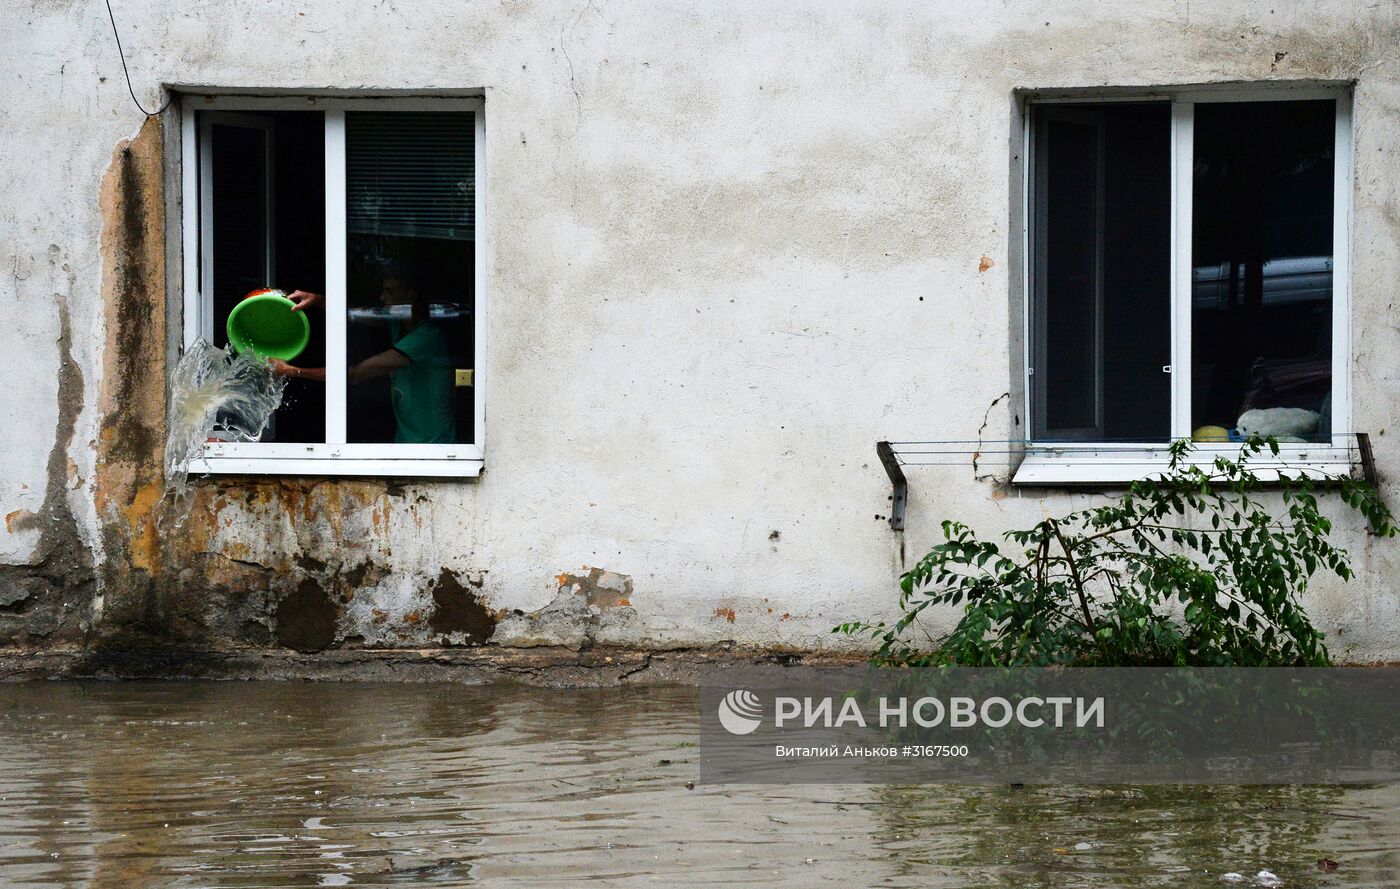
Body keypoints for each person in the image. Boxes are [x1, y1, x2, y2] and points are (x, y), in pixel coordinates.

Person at [267, 271, 456, 444]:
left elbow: (354, 375)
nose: (382, 298)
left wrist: (290, 371)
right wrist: (318, 300)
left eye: (389, 292)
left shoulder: (424, 338)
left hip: (432, 445)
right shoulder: (400, 325)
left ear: (411, 296)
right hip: (409, 440)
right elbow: (353, 315)